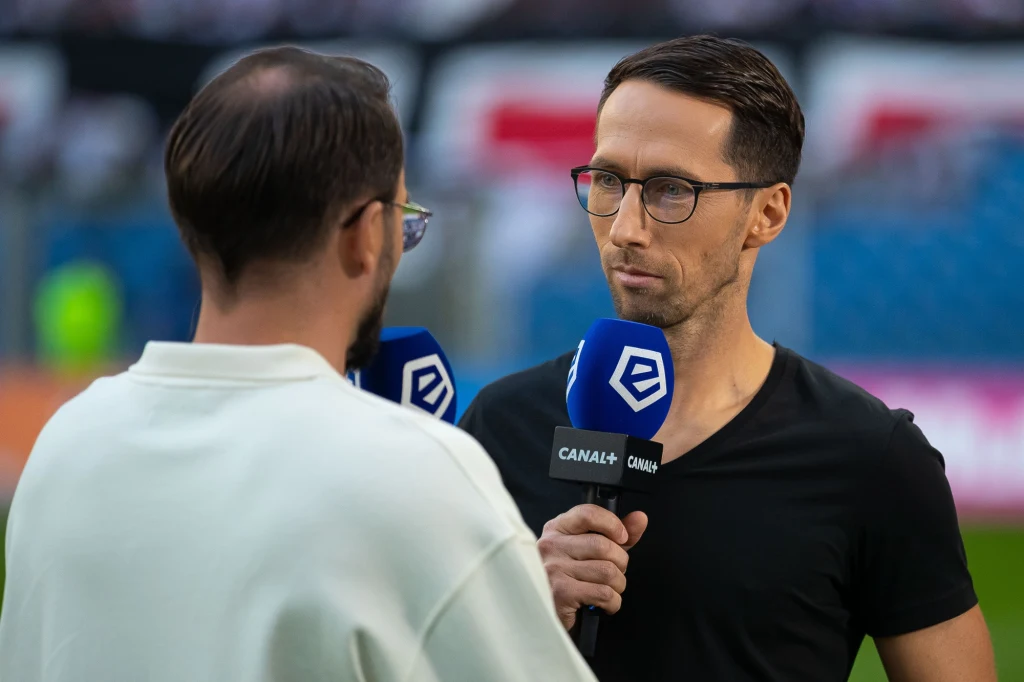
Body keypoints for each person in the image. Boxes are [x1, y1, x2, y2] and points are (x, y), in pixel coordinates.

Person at [0, 46, 596, 682]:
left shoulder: (64, 446)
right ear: (366, 234)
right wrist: (519, 608)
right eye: (404, 220)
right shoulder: (413, 470)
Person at [458, 35, 997, 681]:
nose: (625, 227)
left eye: (670, 190)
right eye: (608, 181)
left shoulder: (867, 456)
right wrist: (514, 612)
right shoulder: (499, 426)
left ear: (766, 213)